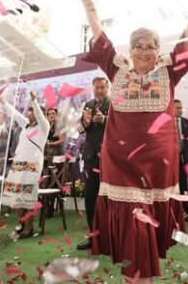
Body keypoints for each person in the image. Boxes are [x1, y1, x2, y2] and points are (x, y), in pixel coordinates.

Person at [72, 0, 188, 282]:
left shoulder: (168, 71)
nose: (144, 51)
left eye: (150, 46)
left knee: (147, 220)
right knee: (132, 220)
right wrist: (89, 5)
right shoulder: (117, 69)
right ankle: (138, 277)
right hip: (121, 162)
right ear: (131, 48)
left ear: (158, 49)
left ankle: (140, 276)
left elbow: (187, 41)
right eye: (138, 46)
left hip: (157, 163)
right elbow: (101, 40)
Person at [0, 90, 51, 240]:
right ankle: (21, 224)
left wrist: (34, 101)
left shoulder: (43, 126)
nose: (29, 114)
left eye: (32, 111)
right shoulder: (26, 126)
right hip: (18, 164)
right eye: (29, 111)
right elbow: (16, 115)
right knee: (17, 195)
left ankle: (29, 227)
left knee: (27, 194)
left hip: (32, 165)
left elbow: (41, 116)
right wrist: (4, 103)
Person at [76, 76, 110, 251]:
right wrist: (85, 122)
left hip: (110, 159)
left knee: (109, 199)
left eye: (102, 87)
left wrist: (104, 119)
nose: (99, 90)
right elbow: (82, 129)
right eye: (96, 87)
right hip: (90, 158)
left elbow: (120, 126)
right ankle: (93, 236)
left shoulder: (114, 105)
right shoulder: (88, 104)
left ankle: (109, 238)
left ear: (107, 87)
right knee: (90, 199)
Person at [173, 99, 188, 220]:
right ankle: (173, 211)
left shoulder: (187, 122)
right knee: (172, 185)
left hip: (184, 159)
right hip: (170, 161)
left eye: (181, 108)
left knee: (184, 185)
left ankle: (185, 211)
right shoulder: (165, 123)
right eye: (177, 108)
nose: (180, 110)